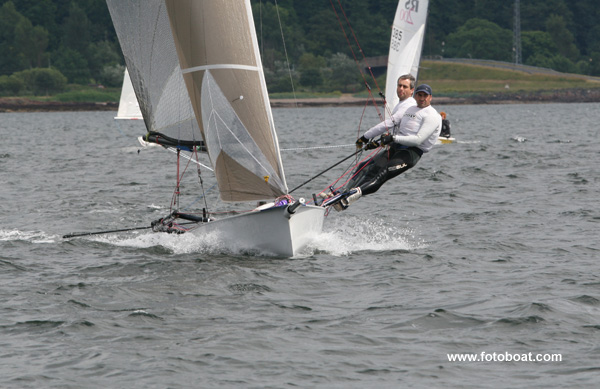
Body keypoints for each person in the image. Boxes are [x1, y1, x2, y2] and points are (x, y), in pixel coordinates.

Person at [324, 84, 442, 211]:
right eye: (419, 95)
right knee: (365, 167)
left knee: (382, 173)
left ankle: (347, 199)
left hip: (410, 153)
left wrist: (393, 138)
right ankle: (342, 194)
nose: (422, 98)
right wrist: (382, 140)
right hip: (395, 148)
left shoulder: (432, 116)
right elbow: (398, 128)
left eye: (425, 95)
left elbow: (418, 139)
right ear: (415, 95)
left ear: (430, 97)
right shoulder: (411, 109)